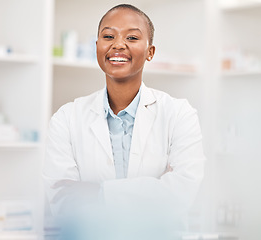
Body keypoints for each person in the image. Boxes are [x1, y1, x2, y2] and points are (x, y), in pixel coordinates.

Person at [43, 4, 205, 238]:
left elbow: (180, 196)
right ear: (97, 47)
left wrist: (97, 191)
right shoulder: (66, 118)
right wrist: (152, 190)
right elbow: (64, 205)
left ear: (150, 52)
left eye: (132, 37)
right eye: (108, 36)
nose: (118, 44)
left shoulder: (179, 114)